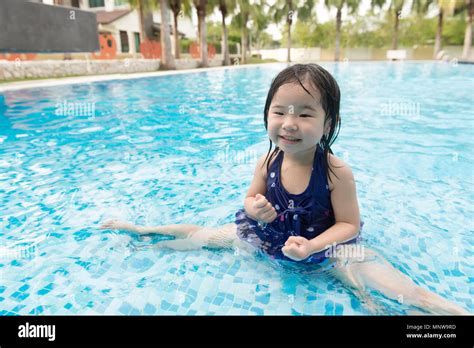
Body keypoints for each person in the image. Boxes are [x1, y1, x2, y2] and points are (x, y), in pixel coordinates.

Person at [100, 64, 469, 315]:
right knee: (201, 237)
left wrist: (311, 246)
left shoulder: (336, 171)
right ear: (267, 115)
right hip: (268, 238)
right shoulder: (268, 161)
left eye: (305, 114)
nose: (289, 124)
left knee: (394, 290)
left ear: (329, 124)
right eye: (280, 112)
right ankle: (144, 231)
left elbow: (349, 226)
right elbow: (249, 198)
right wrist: (255, 208)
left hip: (327, 250)